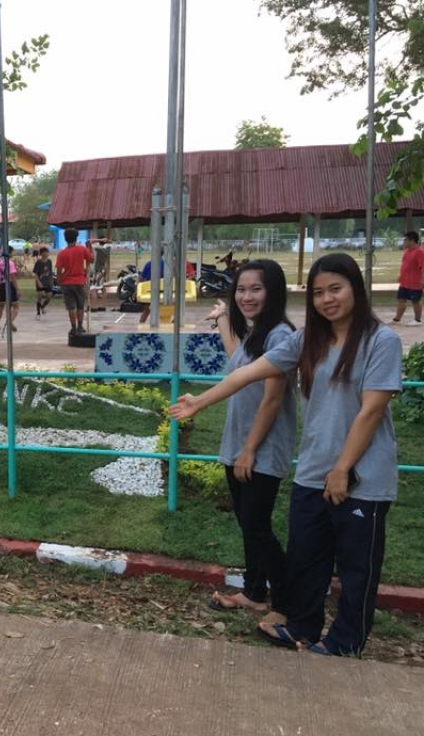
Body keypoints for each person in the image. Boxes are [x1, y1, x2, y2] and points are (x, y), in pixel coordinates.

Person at [169, 253, 402, 657]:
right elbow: (247, 372)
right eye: (318, 293)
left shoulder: (381, 341)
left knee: (356, 568)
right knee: (307, 557)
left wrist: (342, 468)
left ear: (356, 289)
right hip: (312, 469)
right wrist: (200, 402)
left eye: (336, 289)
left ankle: (345, 642)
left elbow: (371, 411)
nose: (327, 299)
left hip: (362, 475)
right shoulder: (308, 339)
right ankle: (301, 626)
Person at [204, 260, 297, 615]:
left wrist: (249, 450)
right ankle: (255, 592)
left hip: (259, 449)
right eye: (241, 290)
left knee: (257, 527)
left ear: (273, 292)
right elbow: (237, 360)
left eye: (256, 289)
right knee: (248, 524)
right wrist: (222, 319)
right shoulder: (258, 334)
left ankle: (287, 602)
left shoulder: (279, 335)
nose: (247, 296)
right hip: (240, 445)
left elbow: (273, 398)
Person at [55, 228, 94, 335]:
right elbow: (91, 259)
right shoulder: (82, 249)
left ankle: (73, 327)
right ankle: (80, 326)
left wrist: (59, 281)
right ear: (76, 238)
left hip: (67, 282)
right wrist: (90, 248)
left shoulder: (62, 253)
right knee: (80, 305)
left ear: (65, 239)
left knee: (71, 306)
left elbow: (59, 270)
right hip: (79, 281)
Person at [391, 231, 424, 325]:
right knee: (401, 300)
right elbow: (405, 265)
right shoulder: (407, 251)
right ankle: (397, 320)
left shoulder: (420, 252)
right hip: (405, 282)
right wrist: (401, 276)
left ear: (412, 240)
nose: (404, 242)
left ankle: (417, 320)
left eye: (405, 240)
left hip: (415, 282)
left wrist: (422, 280)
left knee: (415, 301)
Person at [0, 249, 20, 332]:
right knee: (16, 306)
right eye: (12, 252)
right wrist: (17, 289)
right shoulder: (10, 263)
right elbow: (12, 276)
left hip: (2, 285)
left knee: (1, 306)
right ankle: (10, 321)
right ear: (9, 252)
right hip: (10, 285)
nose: (13, 253)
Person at [32, 246, 54, 318]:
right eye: (46, 252)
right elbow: (35, 273)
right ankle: (38, 313)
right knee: (40, 296)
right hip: (40, 282)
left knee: (49, 296)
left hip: (48, 282)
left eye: (47, 252)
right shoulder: (38, 262)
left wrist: (51, 281)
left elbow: (50, 272)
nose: (47, 253)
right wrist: (38, 282)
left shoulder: (49, 261)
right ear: (42, 254)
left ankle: (43, 306)